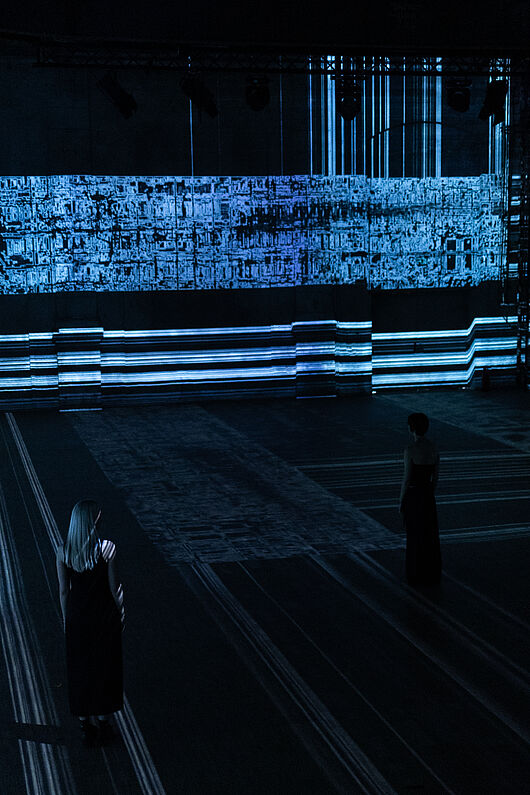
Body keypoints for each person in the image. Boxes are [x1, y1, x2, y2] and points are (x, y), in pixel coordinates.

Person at [56, 500, 124, 746]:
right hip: (103, 618)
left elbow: (64, 591)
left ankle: (86, 726)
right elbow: (114, 588)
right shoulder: (107, 549)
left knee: (80, 670)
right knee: (105, 668)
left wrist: (67, 620)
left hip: (77, 618)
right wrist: (121, 614)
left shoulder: (63, 552)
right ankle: (104, 724)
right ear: (94, 521)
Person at [399, 413, 441, 586]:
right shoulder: (434, 448)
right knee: (429, 534)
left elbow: (407, 479)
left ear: (412, 428)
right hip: (428, 495)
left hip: (414, 495)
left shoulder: (410, 450)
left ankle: (415, 572)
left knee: (414, 534)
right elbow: (435, 478)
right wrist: (429, 494)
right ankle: (431, 571)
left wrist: (401, 501)